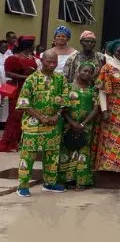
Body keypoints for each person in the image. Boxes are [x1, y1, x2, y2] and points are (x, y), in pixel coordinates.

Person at [16, 51, 67, 197]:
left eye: (54, 62)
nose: (52, 65)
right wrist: (40, 117)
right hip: (33, 124)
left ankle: (49, 183)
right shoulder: (31, 79)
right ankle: (23, 186)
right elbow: (24, 103)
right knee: (28, 155)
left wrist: (57, 115)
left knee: (52, 155)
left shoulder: (61, 79)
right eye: (49, 62)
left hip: (53, 124)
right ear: (42, 61)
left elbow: (65, 99)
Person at [58, 62, 100, 190]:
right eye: (85, 71)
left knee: (83, 152)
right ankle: (66, 180)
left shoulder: (93, 90)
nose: (87, 74)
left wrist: (83, 124)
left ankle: (81, 181)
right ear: (78, 71)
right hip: (68, 126)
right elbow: (63, 107)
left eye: (90, 72)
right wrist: (72, 123)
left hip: (85, 127)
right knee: (67, 150)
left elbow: (95, 109)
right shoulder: (68, 87)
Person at [93, 39, 120, 173]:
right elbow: (102, 91)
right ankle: (107, 165)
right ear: (113, 52)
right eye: (119, 51)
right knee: (110, 136)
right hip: (111, 106)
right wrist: (104, 110)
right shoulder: (107, 68)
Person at [0, 36, 39, 152]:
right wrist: (25, 77)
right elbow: (8, 73)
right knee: (15, 115)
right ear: (27, 45)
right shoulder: (14, 58)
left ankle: (23, 140)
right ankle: (11, 142)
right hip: (18, 89)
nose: (34, 46)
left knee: (27, 114)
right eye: (32, 44)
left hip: (31, 89)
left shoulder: (32, 57)